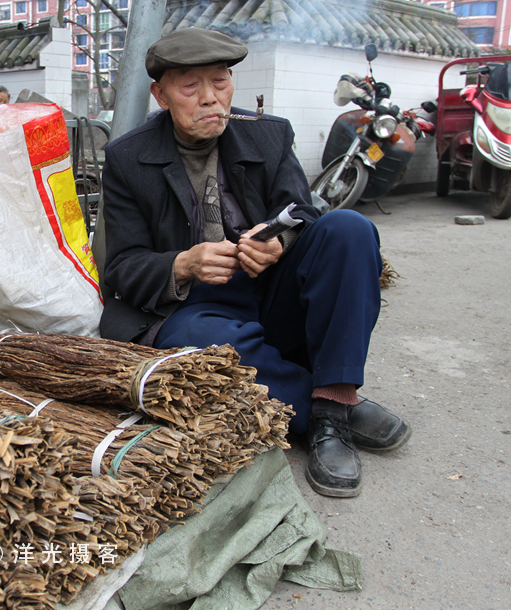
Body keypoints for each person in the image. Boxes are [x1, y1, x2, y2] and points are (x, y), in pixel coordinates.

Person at [99, 28, 411, 498]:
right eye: (190, 86)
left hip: (269, 289)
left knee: (348, 228)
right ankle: (327, 412)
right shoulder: (127, 157)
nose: (210, 98)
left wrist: (279, 240)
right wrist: (184, 264)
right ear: (160, 96)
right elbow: (121, 267)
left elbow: (301, 211)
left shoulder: (268, 134)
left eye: (220, 81)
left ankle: (334, 397)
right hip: (197, 307)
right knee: (197, 339)